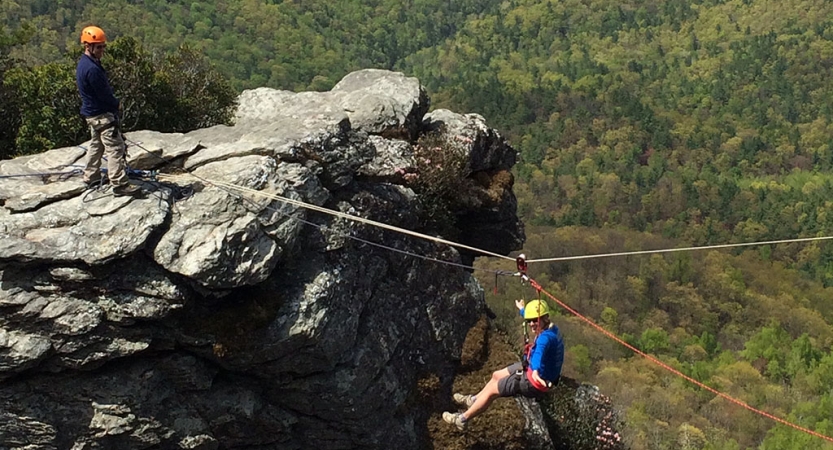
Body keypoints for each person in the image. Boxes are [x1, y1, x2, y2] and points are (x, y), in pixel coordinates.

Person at [442, 299, 564, 430]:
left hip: (533, 381)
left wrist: (535, 371)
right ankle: (474, 400)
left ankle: (462, 419)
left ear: (545, 318)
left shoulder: (545, 338)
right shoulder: (552, 329)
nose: (532, 324)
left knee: (492, 390)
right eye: (530, 320)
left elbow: (539, 354)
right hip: (531, 369)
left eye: (535, 320)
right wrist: (522, 310)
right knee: (496, 375)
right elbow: (536, 332)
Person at [76, 25, 139, 196]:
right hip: (102, 115)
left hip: (91, 114)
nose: (102, 50)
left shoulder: (84, 64)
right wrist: (116, 105)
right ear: (88, 46)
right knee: (115, 147)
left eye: (103, 46)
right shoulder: (92, 70)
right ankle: (119, 184)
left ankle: (90, 176)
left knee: (96, 145)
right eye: (99, 47)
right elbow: (104, 95)